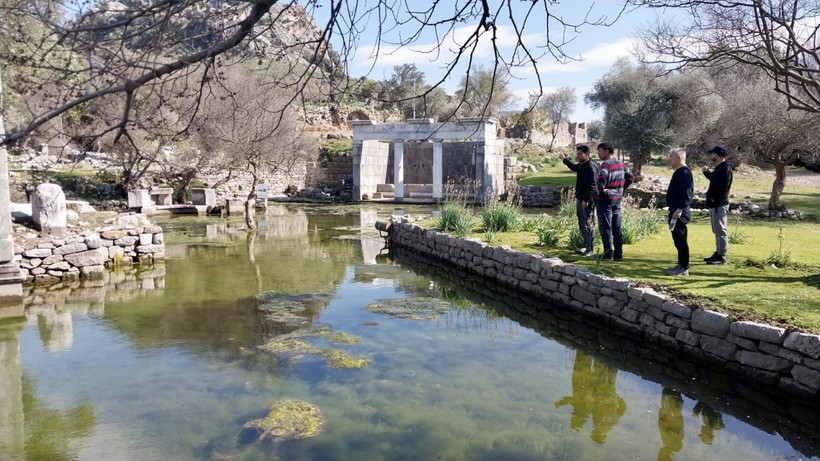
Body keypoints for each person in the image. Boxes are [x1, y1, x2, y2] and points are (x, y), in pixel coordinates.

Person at [595, 142, 635, 261]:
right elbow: (631, 178)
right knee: (617, 227)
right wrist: (621, 190)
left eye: (600, 151)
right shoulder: (622, 164)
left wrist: (601, 190)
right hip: (617, 199)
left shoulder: (606, 165)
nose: (599, 153)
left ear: (607, 151)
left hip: (605, 200)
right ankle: (618, 255)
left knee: (606, 227)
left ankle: (608, 254)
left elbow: (601, 178)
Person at [560, 145, 599, 257]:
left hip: (587, 199)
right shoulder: (582, 165)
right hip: (580, 197)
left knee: (588, 222)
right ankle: (585, 246)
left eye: (580, 154)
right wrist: (564, 160)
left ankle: (590, 249)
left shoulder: (591, 166)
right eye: (577, 154)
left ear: (587, 154)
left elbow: (593, 185)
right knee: (582, 222)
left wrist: (586, 199)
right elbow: (575, 167)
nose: (578, 156)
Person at [702, 145, 733, 265]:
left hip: (719, 204)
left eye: (712, 153)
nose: (711, 156)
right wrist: (707, 173)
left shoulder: (725, 169)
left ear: (717, 155)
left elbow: (723, 187)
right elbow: (714, 180)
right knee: (716, 230)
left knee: (721, 230)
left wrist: (714, 199)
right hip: (715, 204)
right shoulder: (720, 168)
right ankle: (718, 252)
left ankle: (722, 256)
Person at [666, 148, 694, 276]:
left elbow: (687, 194)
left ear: (679, 157)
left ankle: (684, 267)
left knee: (681, 239)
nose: (669, 158)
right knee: (677, 239)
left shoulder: (685, 172)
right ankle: (680, 263)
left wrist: (680, 209)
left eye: (671, 156)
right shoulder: (679, 172)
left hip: (680, 212)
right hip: (675, 210)